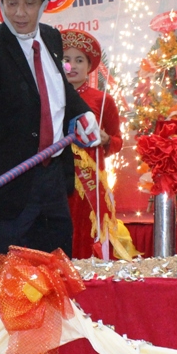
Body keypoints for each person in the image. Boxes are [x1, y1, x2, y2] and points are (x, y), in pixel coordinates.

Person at [0, 0, 99, 261]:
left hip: (53, 179)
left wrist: (82, 111)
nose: (20, 13)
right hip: (11, 184)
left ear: (44, 4)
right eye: (11, 3)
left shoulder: (51, 37)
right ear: (0, 2)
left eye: (29, 3)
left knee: (57, 270)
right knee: (8, 280)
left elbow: (55, 88)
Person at [60, 29, 125, 259]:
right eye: (66, 60)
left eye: (80, 60)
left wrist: (107, 140)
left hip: (89, 182)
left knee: (88, 235)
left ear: (89, 66)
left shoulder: (102, 99)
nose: (73, 65)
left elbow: (118, 141)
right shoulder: (50, 98)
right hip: (57, 180)